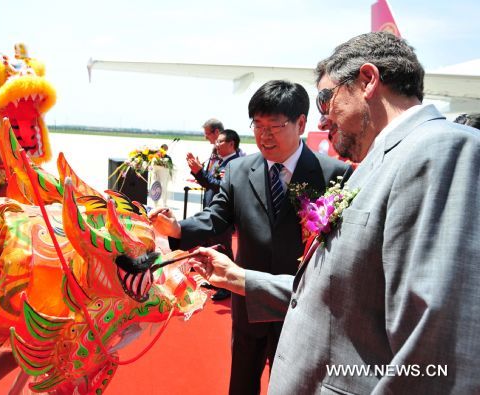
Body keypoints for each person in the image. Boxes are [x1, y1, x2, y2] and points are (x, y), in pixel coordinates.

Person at [189, 32, 480, 394]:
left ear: (368, 81)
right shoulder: (383, 162)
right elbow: (339, 295)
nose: (322, 122)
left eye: (326, 100)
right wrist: (239, 278)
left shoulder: (441, 150)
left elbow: (440, 358)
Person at [149, 80, 352, 395]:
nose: (263, 135)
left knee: (295, 384)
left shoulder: (334, 175)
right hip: (247, 299)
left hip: (298, 301)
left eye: (274, 126)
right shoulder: (238, 171)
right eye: (257, 125)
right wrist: (178, 230)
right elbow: (217, 218)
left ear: (301, 123)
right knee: (242, 381)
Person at [192, 129, 242, 301]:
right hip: (213, 210)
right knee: (211, 245)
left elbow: (221, 187)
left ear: (231, 144)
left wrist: (200, 172)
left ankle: (227, 286)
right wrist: (198, 172)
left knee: (223, 248)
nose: (216, 144)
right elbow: (208, 183)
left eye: (220, 141)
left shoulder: (236, 163)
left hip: (223, 214)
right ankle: (215, 281)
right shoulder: (220, 161)